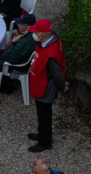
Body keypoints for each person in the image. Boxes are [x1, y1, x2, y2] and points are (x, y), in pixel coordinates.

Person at [28, 18, 67, 152]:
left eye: (36, 32)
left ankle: (45, 142)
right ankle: (41, 134)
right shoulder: (52, 38)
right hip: (41, 83)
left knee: (45, 115)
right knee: (41, 113)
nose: (34, 34)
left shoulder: (51, 53)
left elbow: (57, 74)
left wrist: (63, 87)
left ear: (42, 35)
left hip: (46, 88)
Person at [0, 12, 37, 88]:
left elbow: (12, 59)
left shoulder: (25, 42)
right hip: (17, 57)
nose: (18, 26)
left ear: (28, 26)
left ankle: (8, 85)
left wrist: (13, 43)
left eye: (21, 24)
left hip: (15, 66)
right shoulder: (30, 34)